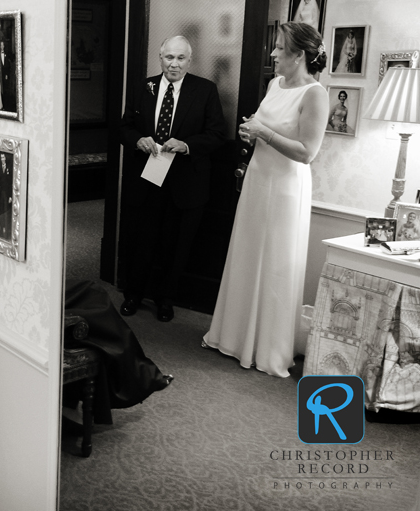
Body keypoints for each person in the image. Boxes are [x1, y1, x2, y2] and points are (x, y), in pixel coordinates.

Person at [202, 21, 329, 378]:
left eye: (278, 48)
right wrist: (251, 129)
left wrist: (265, 133)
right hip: (258, 179)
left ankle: (267, 348)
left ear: (299, 55)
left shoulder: (315, 94)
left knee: (274, 262)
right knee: (246, 253)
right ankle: (235, 336)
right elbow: (264, 127)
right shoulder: (275, 84)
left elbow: (307, 152)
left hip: (287, 187)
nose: (272, 54)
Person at [119, 35, 226, 321]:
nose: (174, 64)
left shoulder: (205, 90)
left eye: (180, 58)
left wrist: (187, 145)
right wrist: (138, 139)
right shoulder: (144, 87)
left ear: (189, 61)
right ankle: (133, 294)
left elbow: (217, 134)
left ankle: (165, 300)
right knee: (143, 241)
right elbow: (124, 127)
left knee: (176, 245)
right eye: (169, 58)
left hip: (185, 183)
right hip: (147, 180)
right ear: (160, 58)